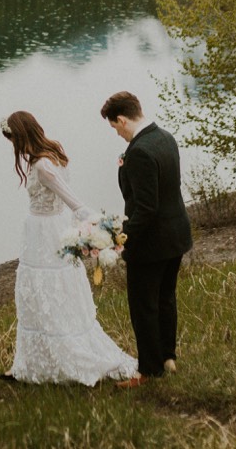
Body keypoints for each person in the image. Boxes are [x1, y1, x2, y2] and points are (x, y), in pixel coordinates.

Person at [0, 110, 138, 385]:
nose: (12, 145)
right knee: (36, 296)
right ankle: (31, 365)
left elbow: (71, 199)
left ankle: (66, 359)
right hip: (39, 231)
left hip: (47, 233)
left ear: (22, 134)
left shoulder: (43, 165)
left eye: (12, 138)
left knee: (49, 292)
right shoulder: (48, 154)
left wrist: (99, 226)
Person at [102, 90, 192, 385]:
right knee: (165, 297)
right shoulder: (165, 137)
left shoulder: (138, 152)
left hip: (151, 242)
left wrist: (121, 239)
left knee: (143, 305)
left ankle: (148, 369)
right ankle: (168, 357)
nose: (116, 133)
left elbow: (145, 207)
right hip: (176, 234)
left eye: (115, 127)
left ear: (123, 119)